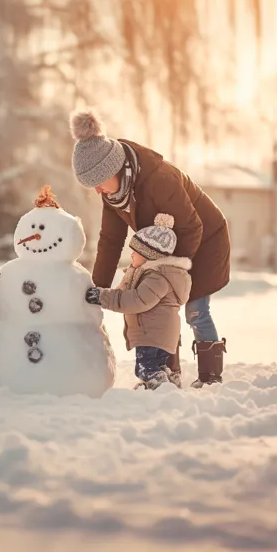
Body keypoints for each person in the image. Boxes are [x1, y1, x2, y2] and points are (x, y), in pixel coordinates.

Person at [70, 109, 230, 386]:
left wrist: (166, 269)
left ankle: (210, 377)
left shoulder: (159, 179)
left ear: (114, 169)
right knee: (161, 310)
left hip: (204, 241)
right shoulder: (115, 193)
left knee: (195, 310)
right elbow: (110, 240)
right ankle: (169, 375)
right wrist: (97, 290)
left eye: (98, 183)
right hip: (162, 249)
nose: (97, 191)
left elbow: (192, 228)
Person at [86, 214, 192, 389]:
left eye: (136, 250)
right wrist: (132, 271)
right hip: (158, 333)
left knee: (145, 368)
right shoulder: (153, 274)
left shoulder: (157, 278)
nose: (132, 254)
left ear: (148, 255)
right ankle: (164, 385)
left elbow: (136, 300)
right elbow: (126, 290)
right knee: (156, 365)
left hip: (152, 333)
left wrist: (101, 297)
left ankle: (161, 386)